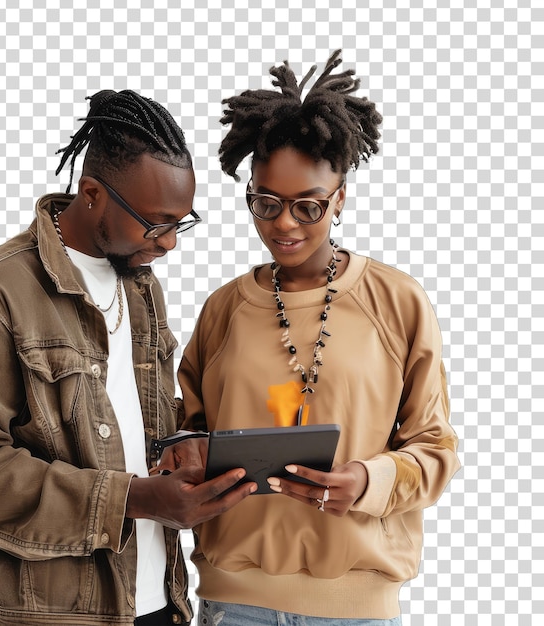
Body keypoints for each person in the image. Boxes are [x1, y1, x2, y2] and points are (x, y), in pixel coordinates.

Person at [0, 89, 255, 626]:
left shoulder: (140, 285)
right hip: (57, 613)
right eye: (156, 222)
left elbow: (120, 416)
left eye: (180, 222)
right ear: (93, 193)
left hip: (159, 604)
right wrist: (132, 500)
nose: (169, 244)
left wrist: (186, 447)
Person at [178, 50, 461, 625]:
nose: (284, 224)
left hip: (354, 606)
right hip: (236, 603)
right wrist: (186, 456)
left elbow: (436, 450)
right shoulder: (223, 310)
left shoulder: (398, 302)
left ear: (340, 199)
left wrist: (367, 480)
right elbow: (183, 434)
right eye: (265, 203)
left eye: (309, 206)